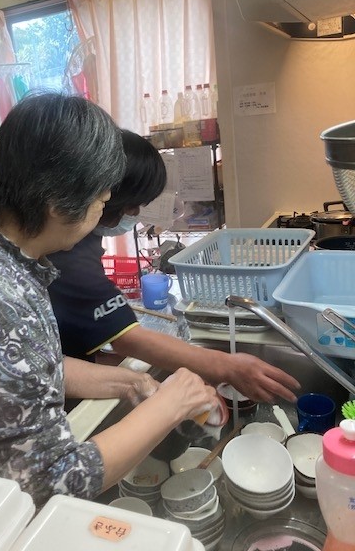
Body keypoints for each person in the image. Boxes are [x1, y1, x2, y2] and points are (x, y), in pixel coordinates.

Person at [0, 93, 216, 509]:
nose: (104, 212)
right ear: (58, 204)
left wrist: (131, 383)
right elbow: (57, 480)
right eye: (101, 201)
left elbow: (35, 367)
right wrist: (170, 405)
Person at [49, 130, 300, 404]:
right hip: (53, 391)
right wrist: (224, 366)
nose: (135, 213)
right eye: (132, 204)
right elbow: (127, 339)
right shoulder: (67, 252)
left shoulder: (83, 237)